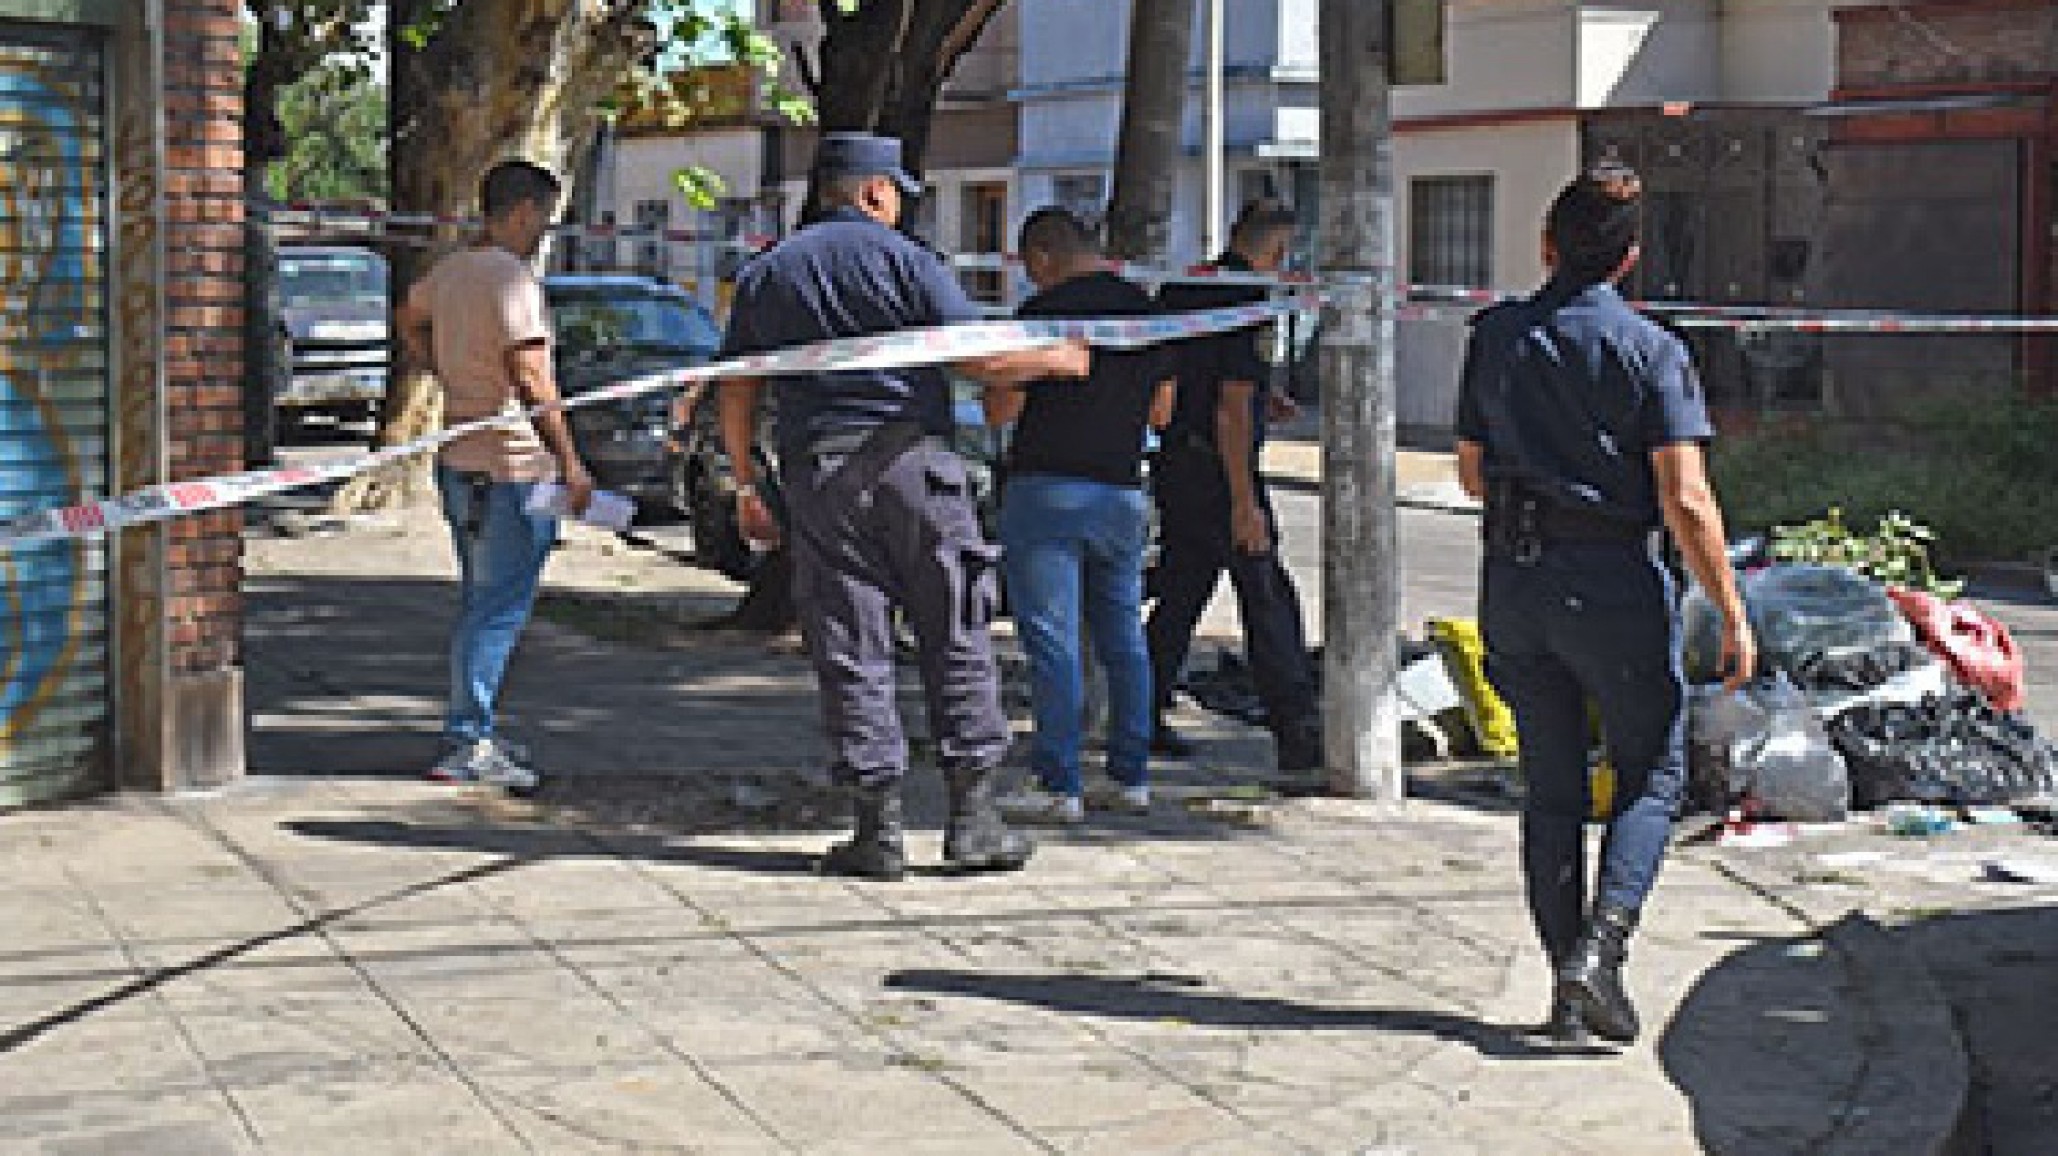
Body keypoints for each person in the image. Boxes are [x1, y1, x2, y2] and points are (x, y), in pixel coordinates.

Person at [717, 133, 1091, 881]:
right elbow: (976, 357)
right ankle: (973, 820)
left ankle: (876, 832)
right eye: (896, 194)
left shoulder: (769, 272)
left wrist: (746, 483)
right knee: (955, 627)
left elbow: (738, 385)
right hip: (913, 465)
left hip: (821, 474)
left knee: (850, 643)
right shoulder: (908, 261)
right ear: (873, 192)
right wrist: (1058, 356)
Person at [1455, 165, 1757, 1046]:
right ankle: (1601, 951)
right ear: (1629, 258)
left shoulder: (1495, 336)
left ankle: (1567, 986)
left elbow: (1471, 475)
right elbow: (1685, 498)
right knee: (1651, 772)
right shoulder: (1651, 350)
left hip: (1514, 580)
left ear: (1546, 245)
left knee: (1550, 789)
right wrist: (1731, 611)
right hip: (1614, 579)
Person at [396, 160, 594, 794]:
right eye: (544, 220)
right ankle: (466, 740)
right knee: (499, 609)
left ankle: (474, 729)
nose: (543, 234)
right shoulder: (512, 279)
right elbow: (534, 379)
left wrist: (439, 368)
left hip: (460, 460)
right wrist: (570, 461)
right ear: (522, 212)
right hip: (512, 467)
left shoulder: (451, 272)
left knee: (480, 602)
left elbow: (408, 314)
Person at [984, 207, 1176, 825]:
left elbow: (999, 409)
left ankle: (1058, 782)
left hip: (1047, 490)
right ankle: (1130, 775)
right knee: (1124, 639)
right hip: (1121, 493)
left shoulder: (1043, 314)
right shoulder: (1147, 314)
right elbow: (1163, 412)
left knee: (1054, 642)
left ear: (1043, 256)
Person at [1146, 201, 1323, 775]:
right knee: (1266, 594)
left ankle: (1140, 715)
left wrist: (1262, 399)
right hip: (1220, 471)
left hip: (1177, 461)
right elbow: (1231, 407)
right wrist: (1245, 501)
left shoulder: (1184, 289)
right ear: (1278, 250)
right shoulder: (1249, 301)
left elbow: (1187, 381)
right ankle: (1297, 729)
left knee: (1182, 590)